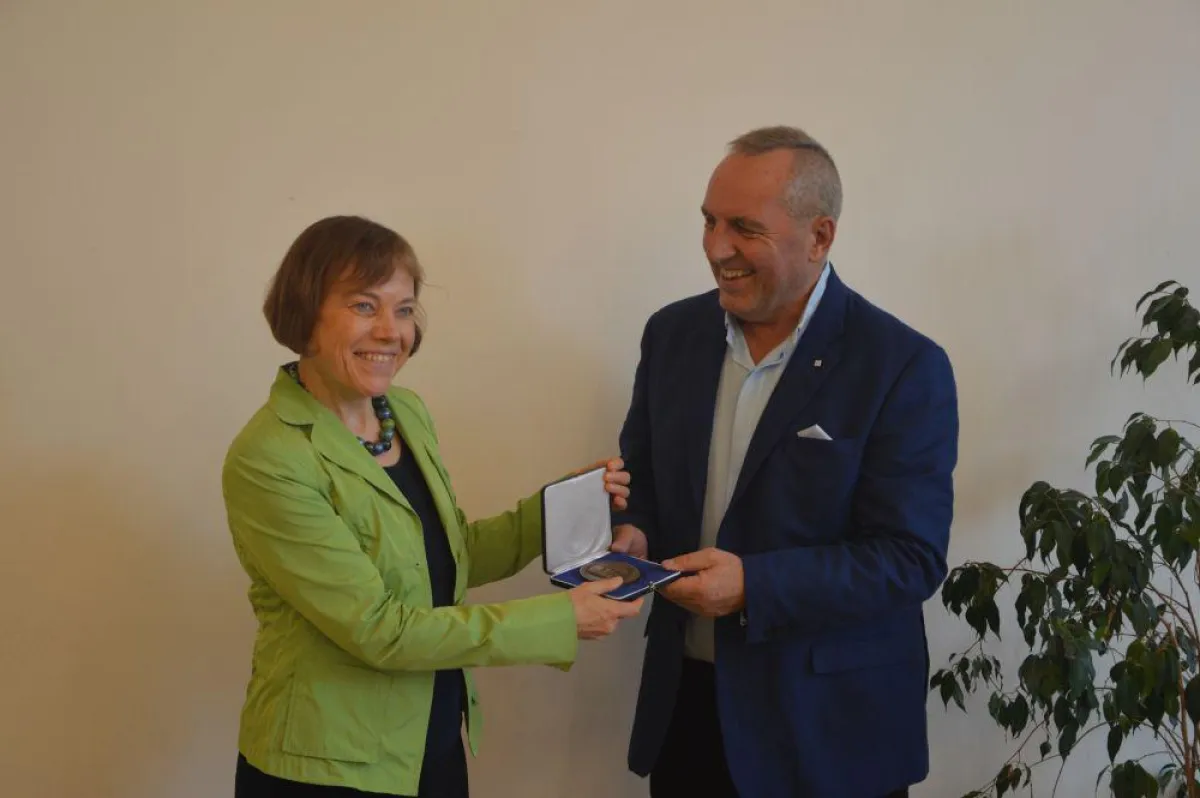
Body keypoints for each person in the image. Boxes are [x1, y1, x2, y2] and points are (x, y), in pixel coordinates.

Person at [222, 215, 643, 798]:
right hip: (325, 769)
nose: (391, 331)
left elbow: (448, 554)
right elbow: (380, 630)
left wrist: (557, 510)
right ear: (305, 314)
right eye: (364, 306)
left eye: (404, 309)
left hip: (432, 741)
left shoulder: (407, 413)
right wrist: (559, 620)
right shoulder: (270, 457)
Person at [609, 126, 959, 798]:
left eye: (743, 227)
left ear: (820, 237)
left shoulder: (902, 366)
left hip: (830, 735)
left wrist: (753, 586)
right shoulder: (671, 335)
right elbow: (644, 477)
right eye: (709, 222)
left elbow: (909, 557)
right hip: (689, 713)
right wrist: (635, 532)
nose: (716, 249)